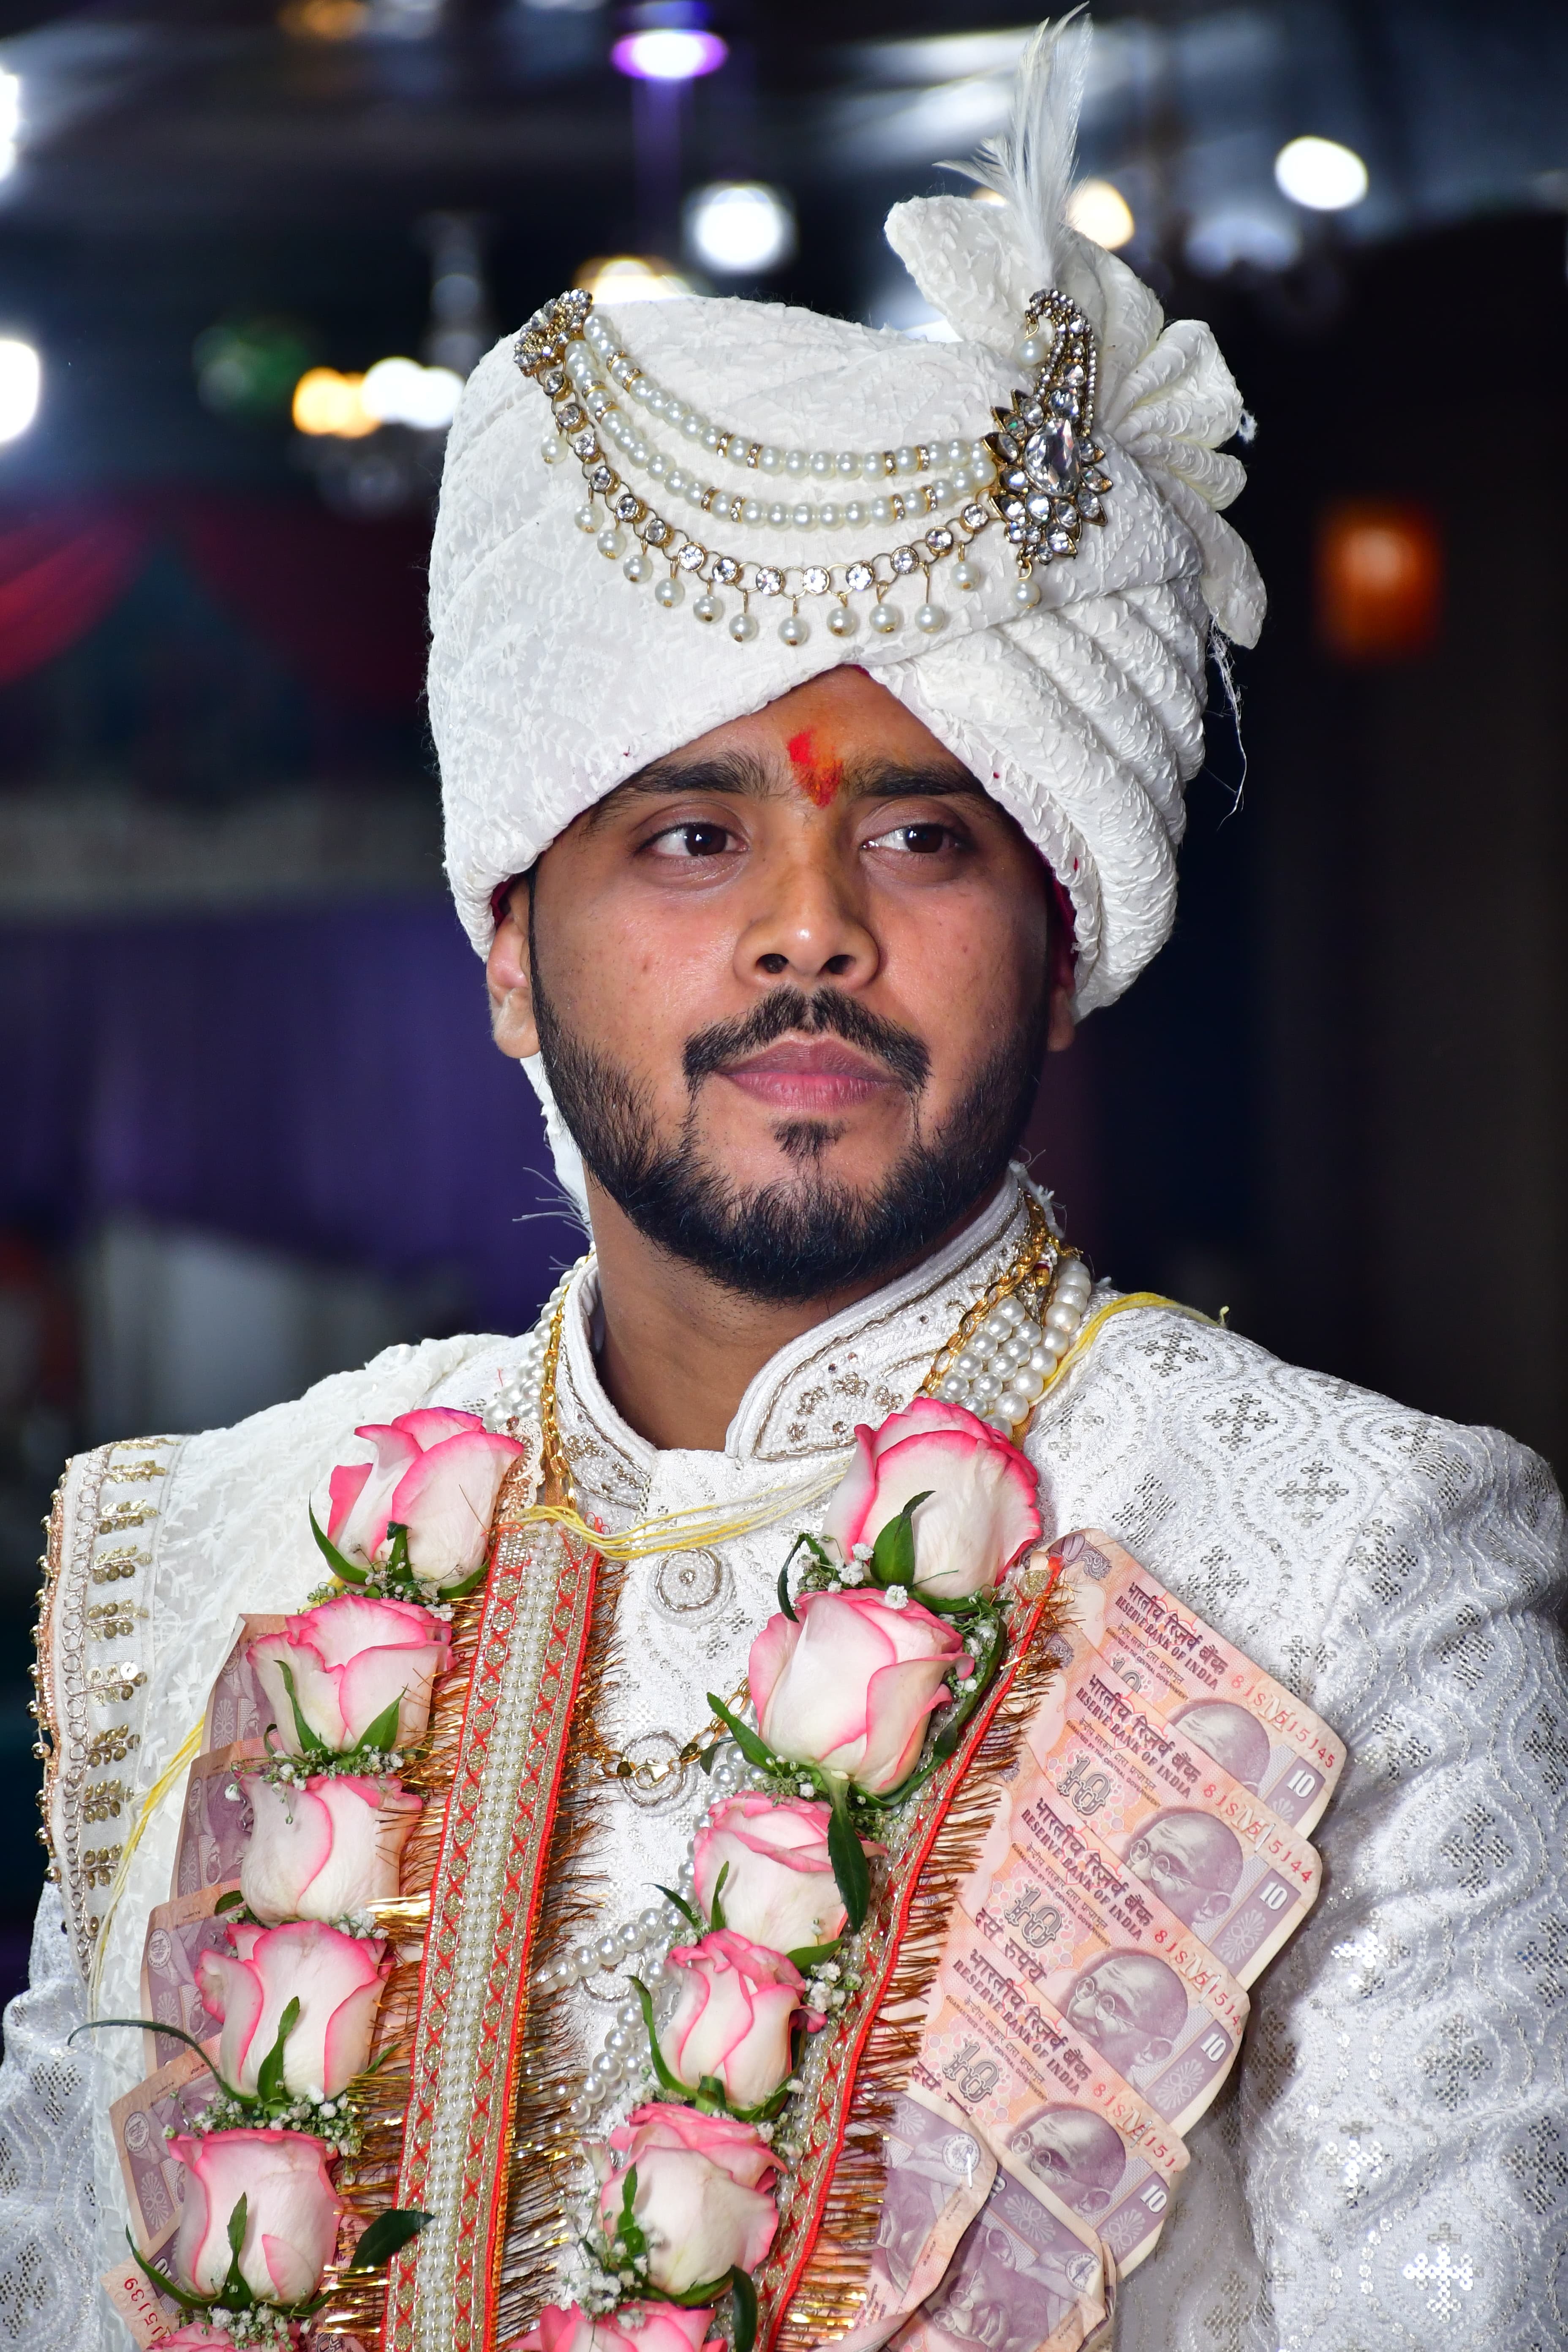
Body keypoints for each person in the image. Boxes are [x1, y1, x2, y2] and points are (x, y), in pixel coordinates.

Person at [7, 17, 1565, 2352]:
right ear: (512, 957)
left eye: (922, 834)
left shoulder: (1353, 1572)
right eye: (691, 832)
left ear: (1059, 955)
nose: (807, 928)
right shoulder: (206, 1559)